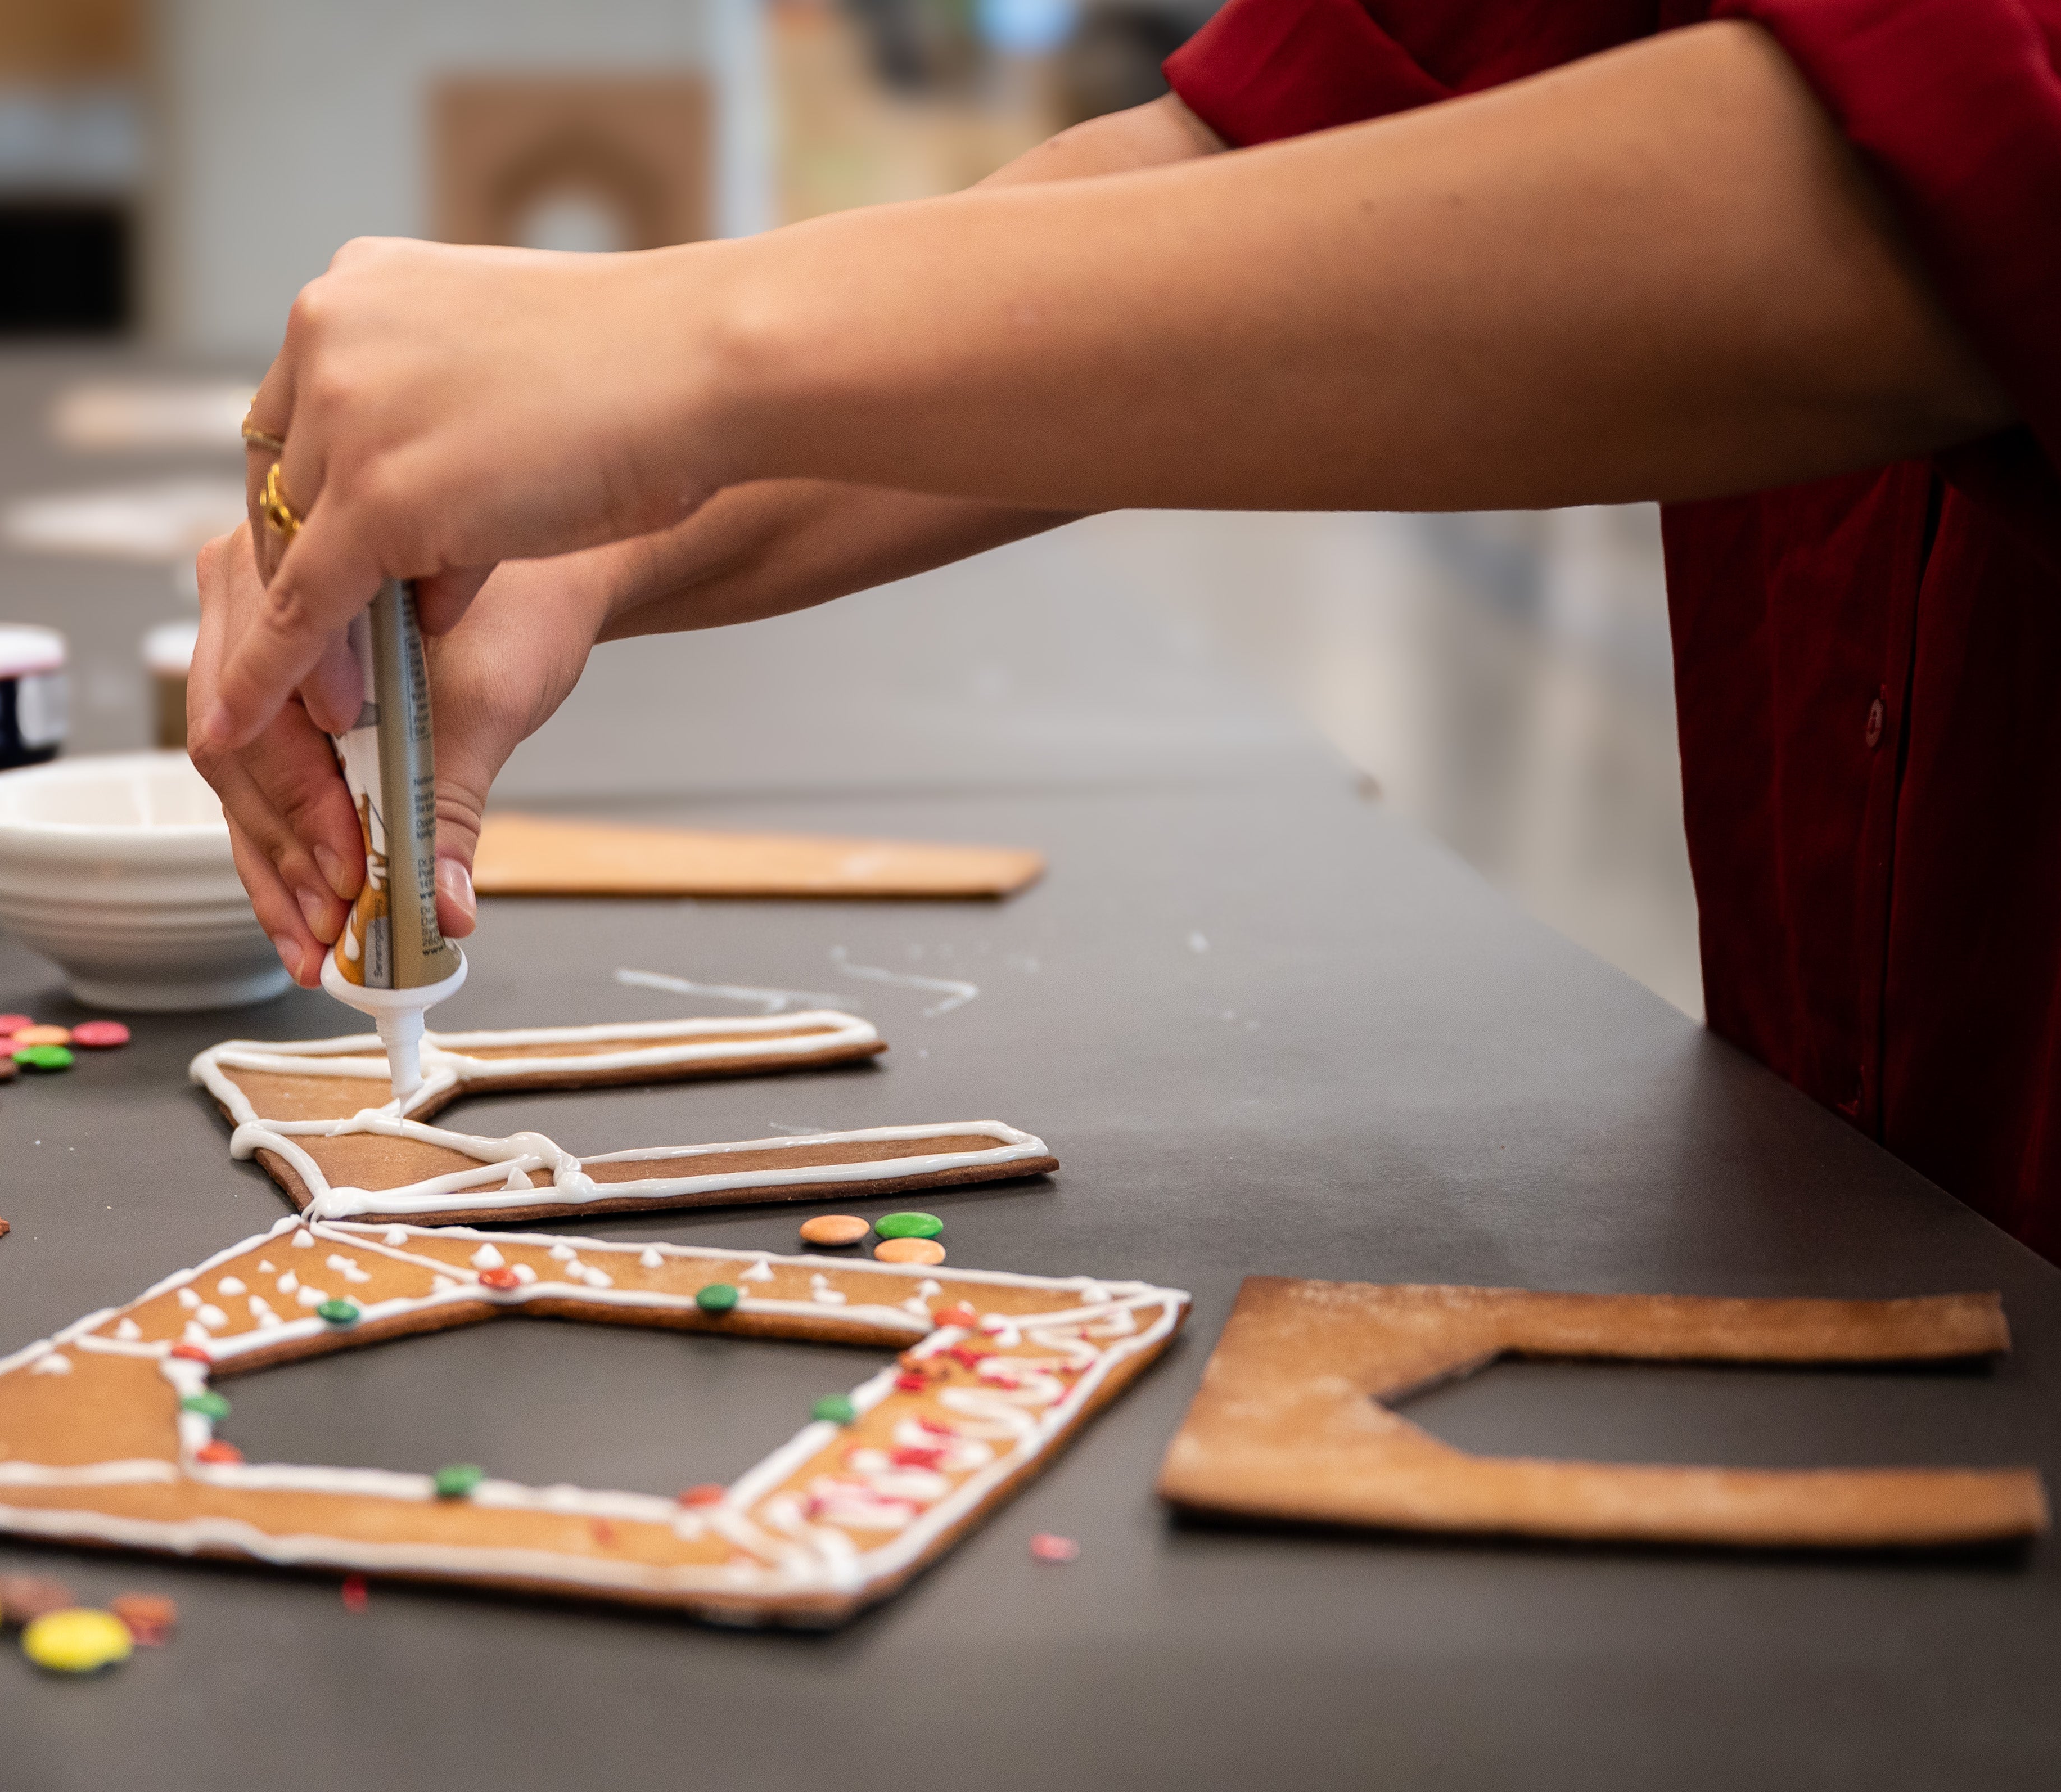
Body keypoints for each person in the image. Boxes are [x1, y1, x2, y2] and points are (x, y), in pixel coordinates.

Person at [184, 5, 2061, 1252]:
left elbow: (1946, 200)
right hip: (1870, 1200)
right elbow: (1275, 158)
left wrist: (695, 353)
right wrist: (584, 537)